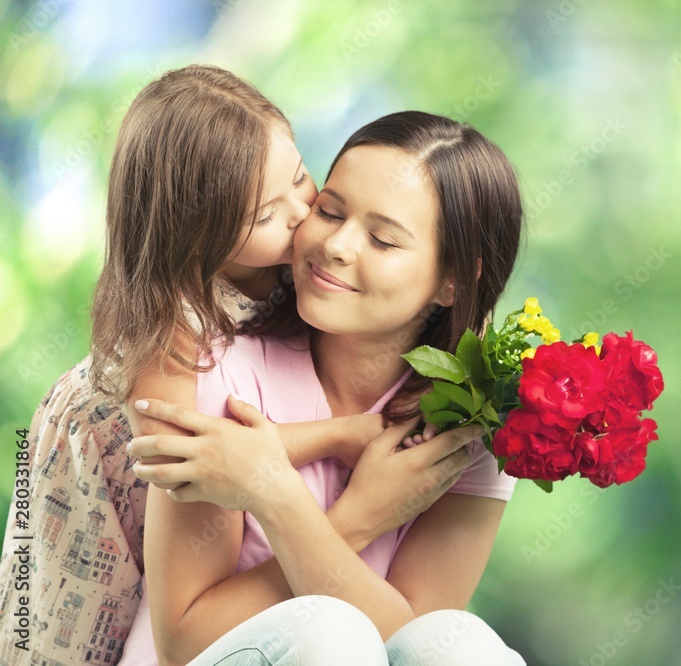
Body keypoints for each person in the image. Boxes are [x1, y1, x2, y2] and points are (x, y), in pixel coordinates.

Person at [0, 67, 458, 664]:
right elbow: (190, 456)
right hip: (84, 526)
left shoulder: (290, 277)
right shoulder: (172, 325)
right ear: (198, 237)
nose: (301, 216)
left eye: (300, 180)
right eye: (267, 215)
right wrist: (341, 436)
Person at [122, 111, 526, 664]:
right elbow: (182, 640)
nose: (336, 245)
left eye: (382, 240)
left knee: (468, 648)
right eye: (329, 210)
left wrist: (275, 494)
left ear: (453, 280)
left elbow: (414, 645)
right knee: (327, 632)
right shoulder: (216, 367)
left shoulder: (465, 432)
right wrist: (355, 516)